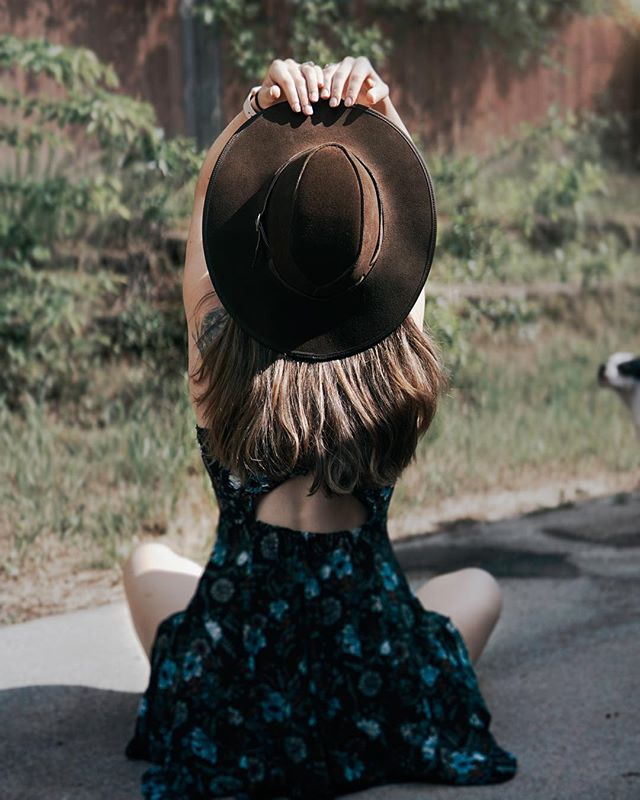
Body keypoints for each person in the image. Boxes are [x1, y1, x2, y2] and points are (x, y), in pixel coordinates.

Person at [122, 56, 517, 799]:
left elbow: (208, 199)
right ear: (380, 259)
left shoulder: (215, 352)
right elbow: (416, 220)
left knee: (147, 563)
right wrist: (382, 113)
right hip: (374, 678)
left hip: (237, 682)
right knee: (479, 588)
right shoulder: (396, 363)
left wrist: (253, 110)